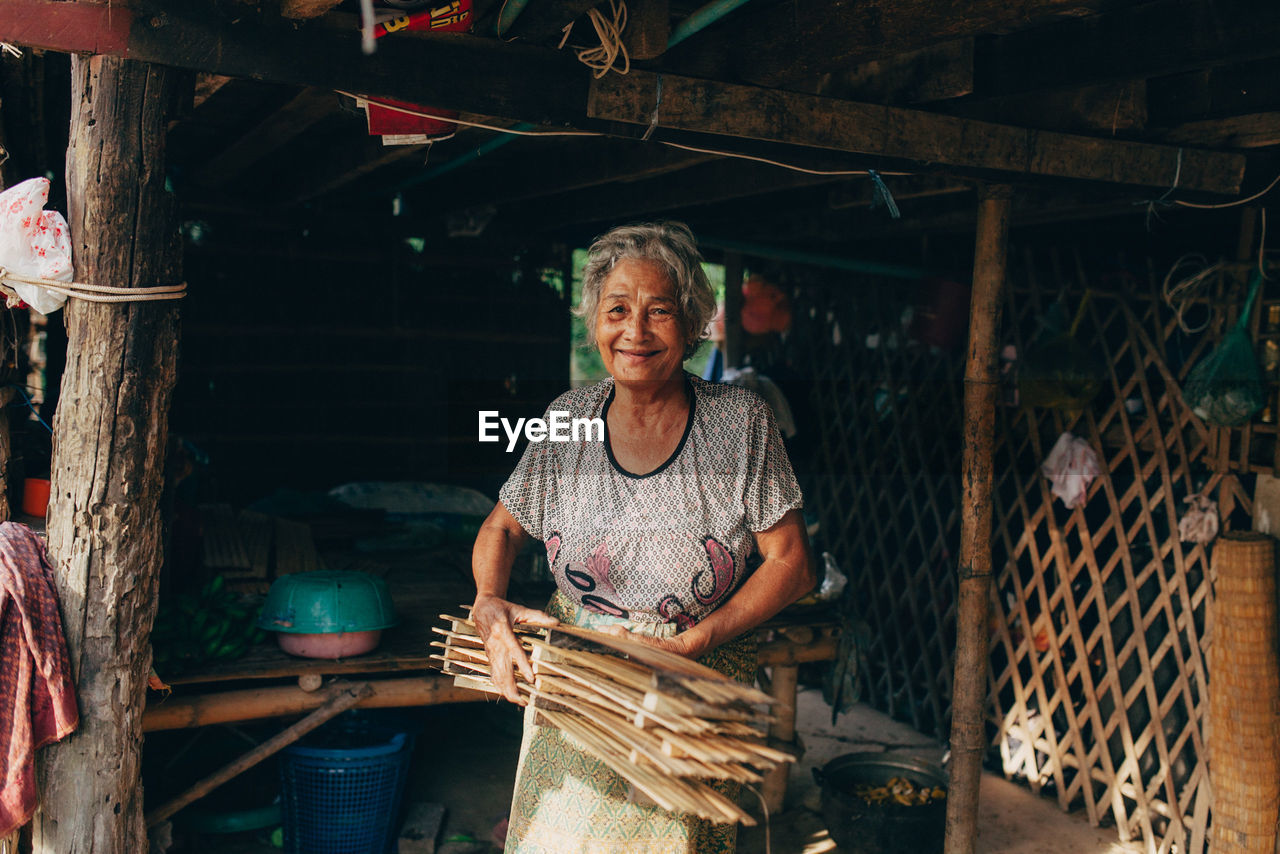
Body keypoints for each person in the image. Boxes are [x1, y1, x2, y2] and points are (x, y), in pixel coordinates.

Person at [471, 221, 815, 854]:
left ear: (691, 324)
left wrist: (693, 643)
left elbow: (792, 565)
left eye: (659, 312)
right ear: (595, 323)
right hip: (577, 676)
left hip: (688, 678)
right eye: (618, 310)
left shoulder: (738, 425)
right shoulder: (569, 420)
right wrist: (489, 602)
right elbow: (501, 527)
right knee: (557, 839)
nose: (635, 331)